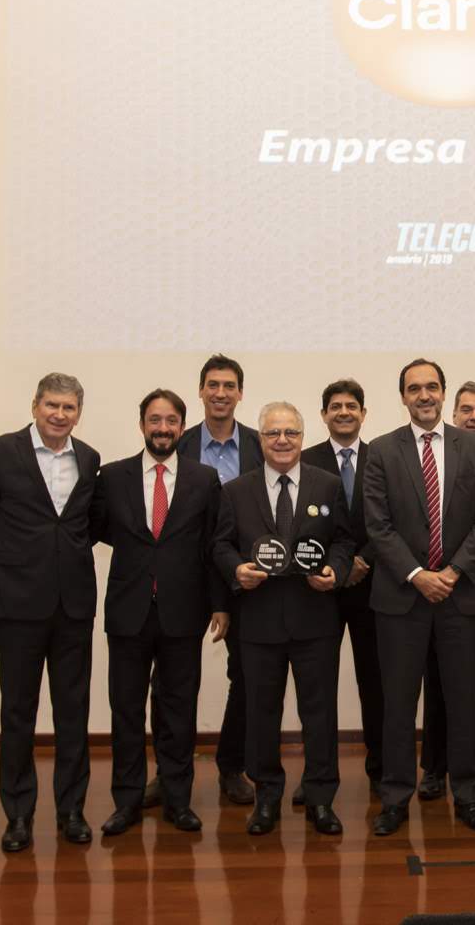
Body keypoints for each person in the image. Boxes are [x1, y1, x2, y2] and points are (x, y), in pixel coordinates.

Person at [364, 359, 475, 836]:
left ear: (443, 392)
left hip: (461, 598)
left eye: (431, 387)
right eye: (414, 388)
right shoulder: (382, 451)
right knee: (399, 705)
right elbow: (377, 524)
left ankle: (467, 794)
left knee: (463, 702)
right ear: (403, 396)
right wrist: (418, 574)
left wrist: (454, 571)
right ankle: (395, 798)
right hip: (402, 599)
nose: (424, 395)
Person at [0, 373, 102, 852]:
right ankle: (19, 814)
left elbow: (84, 525)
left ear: (78, 413)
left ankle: (72, 810)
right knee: (17, 712)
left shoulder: (89, 458)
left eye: (68, 408)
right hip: (17, 603)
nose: (59, 415)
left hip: (73, 606)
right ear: (35, 405)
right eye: (52, 405)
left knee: (74, 712)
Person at [212, 402, 355, 836]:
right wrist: (236, 570)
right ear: (260, 439)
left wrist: (335, 571)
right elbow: (220, 545)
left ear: (301, 436)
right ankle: (267, 797)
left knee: (320, 713)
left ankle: (320, 797)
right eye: (273, 433)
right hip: (258, 622)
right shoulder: (236, 490)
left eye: (291, 432)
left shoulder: (327, 485)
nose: (282, 440)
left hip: (316, 620)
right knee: (261, 714)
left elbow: (344, 541)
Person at [94, 389, 228, 837]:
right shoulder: (112, 476)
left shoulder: (204, 479)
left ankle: (177, 798)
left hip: (183, 611)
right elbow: (102, 530)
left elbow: (211, 546)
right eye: (155, 420)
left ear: (182, 427)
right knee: (126, 710)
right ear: (142, 425)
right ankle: (127, 801)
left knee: (178, 710)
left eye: (171, 421)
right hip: (128, 611)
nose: (163, 428)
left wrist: (219, 604)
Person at [168, 353, 262, 807]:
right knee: (174, 680)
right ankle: (171, 772)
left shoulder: (262, 445)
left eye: (229, 385)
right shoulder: (178, 444)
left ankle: (232, 765)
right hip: (185, 579)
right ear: (201, 391)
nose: (220, 393)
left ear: (240, 393)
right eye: (213, 385)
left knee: (246, 674)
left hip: (246, 579)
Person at [295, 379, 383, 804]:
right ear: (324, 414)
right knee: (317, 688)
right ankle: (317, 775)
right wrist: (334, 566)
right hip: (320, 589)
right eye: (335, 406)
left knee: (376, 684)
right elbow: (296, 523)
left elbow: (395, 517)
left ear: (363, 413)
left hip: (373, 586)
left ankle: (381, 770)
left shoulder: (383, 457)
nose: (344, 412)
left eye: (351, 405)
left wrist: (362, 560)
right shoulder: (304, 460)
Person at [418, 381, 475, 799]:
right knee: (439, 686)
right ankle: (435, 767)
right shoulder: (437, 457)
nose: (474, 417)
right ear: (453, 415)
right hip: (447, 590)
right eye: (466, 409)